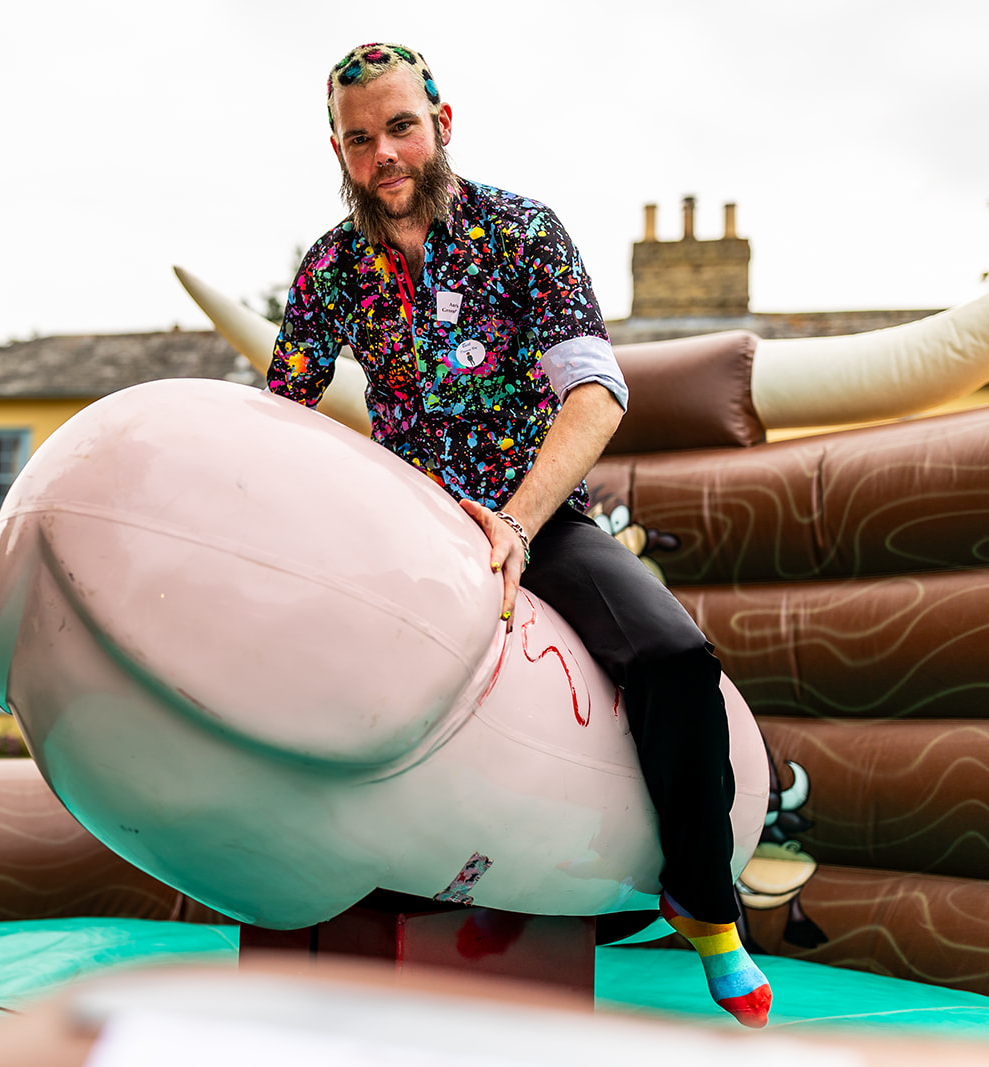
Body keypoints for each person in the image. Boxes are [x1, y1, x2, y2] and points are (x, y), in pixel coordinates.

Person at [266, 42, 773, 1029]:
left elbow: (595, 390)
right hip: (400, 528)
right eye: (360, 138)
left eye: (401, 127)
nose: (385, 154)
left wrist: (514, 520)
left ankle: (706, 909)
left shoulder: (521, 232)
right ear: (338, 148)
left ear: (440, 125)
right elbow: (280, 413)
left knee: (674, 657)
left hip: (529, 513)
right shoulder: (329, 268)